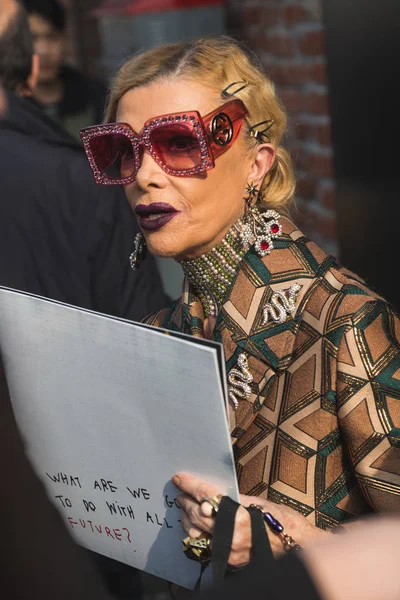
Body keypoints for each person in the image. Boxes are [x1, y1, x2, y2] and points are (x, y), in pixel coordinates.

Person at [81, 35, 400, 569]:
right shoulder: (160, 331)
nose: (144, 175)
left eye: (179, 144)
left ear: (256, 164)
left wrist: (296, 543)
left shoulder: (343, 320)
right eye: (124, 150)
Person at [0, 0, 168, 322]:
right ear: (32, 69)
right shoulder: (87, 184)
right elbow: (140, 321)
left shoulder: (91, 97)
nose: (147, 174)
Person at [22, 0, 107, 140]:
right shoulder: (9, 105)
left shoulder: (96, 98)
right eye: (33, 39)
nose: (44, 50)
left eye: (52, 37)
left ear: (64, 40)